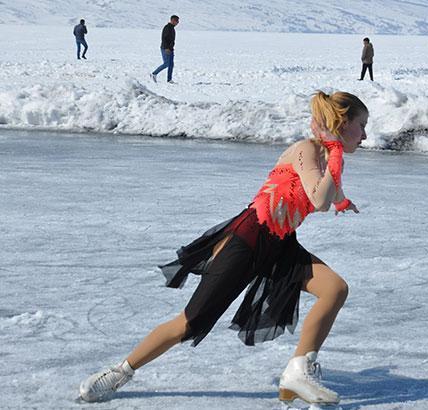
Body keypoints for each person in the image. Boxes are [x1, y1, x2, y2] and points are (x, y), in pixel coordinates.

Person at [78, 90, 369, 407]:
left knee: (335, 289)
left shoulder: (326, 157)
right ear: (342, 123)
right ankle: (121, 371)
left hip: (280, 244)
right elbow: (318, 198)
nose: (366, 134)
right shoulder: (306, 150)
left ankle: (298, 371)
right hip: (248, 240)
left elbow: (326, 195)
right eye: (361, 124)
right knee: (188, 324)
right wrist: (336, 161)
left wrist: (341, 198)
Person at [151, 15, 179, 83]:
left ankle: (169, 80)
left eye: (178, 21)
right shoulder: (167, 28)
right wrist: (166, 48)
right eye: (176, 21)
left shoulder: (172, 28)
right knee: (167, 63)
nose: (178, 22)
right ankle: (154, 73)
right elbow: (164, 38)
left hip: (170, 49)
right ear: (172, 20)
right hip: (165, 48)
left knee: (171, 64)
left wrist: (171, 48)